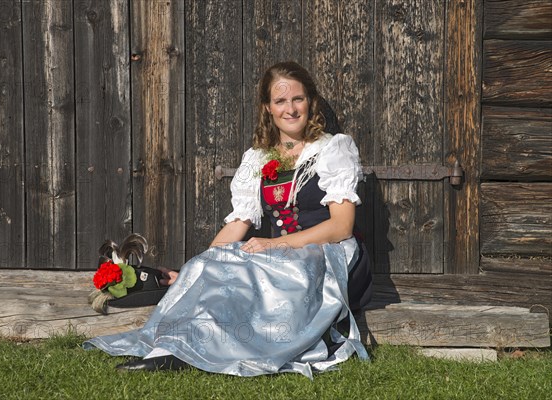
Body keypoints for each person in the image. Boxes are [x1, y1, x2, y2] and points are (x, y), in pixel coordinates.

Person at [84, 61, 372, 378]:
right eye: (280, 101)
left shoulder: (333, 148)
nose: (290, 109)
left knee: (268, 272)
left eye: (297, 99)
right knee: (207, 265)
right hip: (280, 255)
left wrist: (273, 244)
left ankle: (201, 349)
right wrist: (195, 273)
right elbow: (238, 225)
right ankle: (173, 347)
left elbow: (341, 227)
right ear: (268, 108)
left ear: (310, 103)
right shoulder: (258, 158)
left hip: (333, 257)